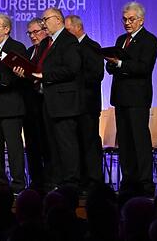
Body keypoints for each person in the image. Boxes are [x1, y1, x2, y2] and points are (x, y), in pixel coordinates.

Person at [15, 7, 82, 188]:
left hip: (63, 102)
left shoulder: (68, 40)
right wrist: (26, 73)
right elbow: (37, 68)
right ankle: (56, 180)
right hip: (47, 102)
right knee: (51, 145)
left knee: (66, 143)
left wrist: (44, 75)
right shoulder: (47, 43)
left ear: (58, 20)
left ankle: (71, 182)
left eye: (46, 19)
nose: (44, 23)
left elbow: (71, 69)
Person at [105, 2, 157, 196]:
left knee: (139, 141)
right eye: (125, 19)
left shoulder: (149, 40)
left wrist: (120, 64)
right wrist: (112, 64)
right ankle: (128, 181)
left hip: (137, 99)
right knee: (125, 142)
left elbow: (144, 68)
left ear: (141, 20)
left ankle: (145, 184)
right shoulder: (121, 39)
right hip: (120, 97)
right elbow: (111, 66)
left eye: (131, 19)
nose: (127, 23)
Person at [0, 13, 27, 193]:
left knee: (14, 147)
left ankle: (18, 184)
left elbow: (20, 75)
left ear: (7, 29)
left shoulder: (17, 47)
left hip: (10, 104)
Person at [64, 14, 105, 191]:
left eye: (67, 30)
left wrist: (73, 77)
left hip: (88, 104)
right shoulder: (69, 48)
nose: (66, 34)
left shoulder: (92, 46)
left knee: (89, 142)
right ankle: (81, 180)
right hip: (72, 104)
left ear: (78, 27)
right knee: (76, 143)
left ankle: (94, 181)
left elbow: (96, 74)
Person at [21, 17, 52, 192]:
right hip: (30, 104)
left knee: (47, 143)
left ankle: (49, 179)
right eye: (29, 33)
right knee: (32, 144)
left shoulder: (50, 49)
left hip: (45, 102)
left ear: (45, 30)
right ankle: (36, 180)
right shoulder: (29, 51)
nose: (33, 36)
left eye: (36, 32)